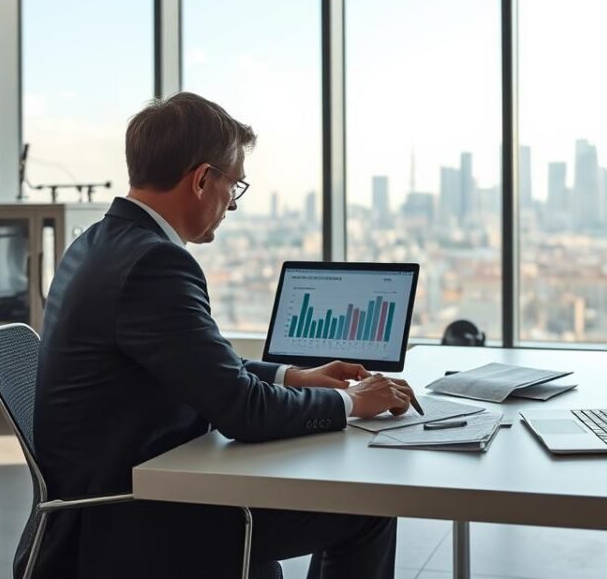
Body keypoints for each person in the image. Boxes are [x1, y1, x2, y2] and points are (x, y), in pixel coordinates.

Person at [31, 92, 416, 579]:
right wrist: (355, 401)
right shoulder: (155, 263)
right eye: (234, 185)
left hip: (105, 500)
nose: (232, 203)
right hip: (140, 519)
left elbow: (198, 368)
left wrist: (295, 376)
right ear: (201, 179)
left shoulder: (97, 243)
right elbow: (243, 411)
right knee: (367, 506)